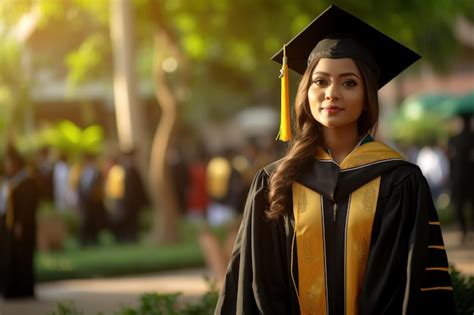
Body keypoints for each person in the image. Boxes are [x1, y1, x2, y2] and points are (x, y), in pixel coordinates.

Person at [215, 5, 456, 315]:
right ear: (306, 91)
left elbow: (416, 285)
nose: (332, 93)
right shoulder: (275, 181)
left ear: (367, 94)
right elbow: (254, 284)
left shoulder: (400, 182)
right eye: (321, 81)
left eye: (349, 83)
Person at [0, 144, 39, 298]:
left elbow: (28, 206)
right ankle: (12, 290)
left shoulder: (27, 180)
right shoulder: (10, 181)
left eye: (9, 163)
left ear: (16, 164)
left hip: (23, 226)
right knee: (11, 258)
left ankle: (24, 290)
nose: (7, 166)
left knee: (23, 258)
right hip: (9, 224)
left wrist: (20, 223)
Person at [448, 114, 474, 243]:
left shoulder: (454, 139)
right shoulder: (454, 139)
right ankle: (465, 231)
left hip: (461, 178)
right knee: (460, 206)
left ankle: (465, 231)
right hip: (461, 178)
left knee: (460, 206)